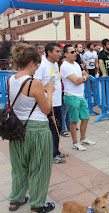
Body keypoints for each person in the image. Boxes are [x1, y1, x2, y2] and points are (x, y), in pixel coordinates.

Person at [8, 43, 56, 212]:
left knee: (19, 167)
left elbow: (21, 100)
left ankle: (16, 199)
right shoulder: (34, 82)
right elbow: (46, 109)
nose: (37, 68)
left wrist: (40, 91)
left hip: (16, 129)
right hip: (36, 129)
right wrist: (49, 91)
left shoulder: (11, 79)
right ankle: (37, 203)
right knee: (39, 167)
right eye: (36, 65)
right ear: (30, 63)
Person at [34, 43, 65, 164]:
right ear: (49, 52)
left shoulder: (55, 64)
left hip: (57, 101)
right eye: (57, 52)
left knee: (58, 127)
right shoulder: (41, 65)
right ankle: (51, 154)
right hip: (47, 103)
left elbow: (55, 79)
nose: (59, 54)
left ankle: (56, 151)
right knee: (52, 129)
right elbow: (37, 84)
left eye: (60, 51)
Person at [60, 44, 96, 151]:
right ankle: (75, 143)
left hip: (81, 96)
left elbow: (87, 75)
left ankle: (83, 138)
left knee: (85, 118)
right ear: (66, 54)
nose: (75, 53)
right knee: (74, 120)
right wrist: (83, 78)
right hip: (71, 96)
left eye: (75, 51)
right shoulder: (65, 66)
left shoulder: (76, 64)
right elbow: (75, 81)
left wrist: (83, 78)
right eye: (72, 52)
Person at [98, 39, 109, 116]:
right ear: (104, 45)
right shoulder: (102, 53)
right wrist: (103, 73)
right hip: (105, 77)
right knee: (106, 92)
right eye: (108, 44)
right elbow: (100, 63)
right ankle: (106, 108)